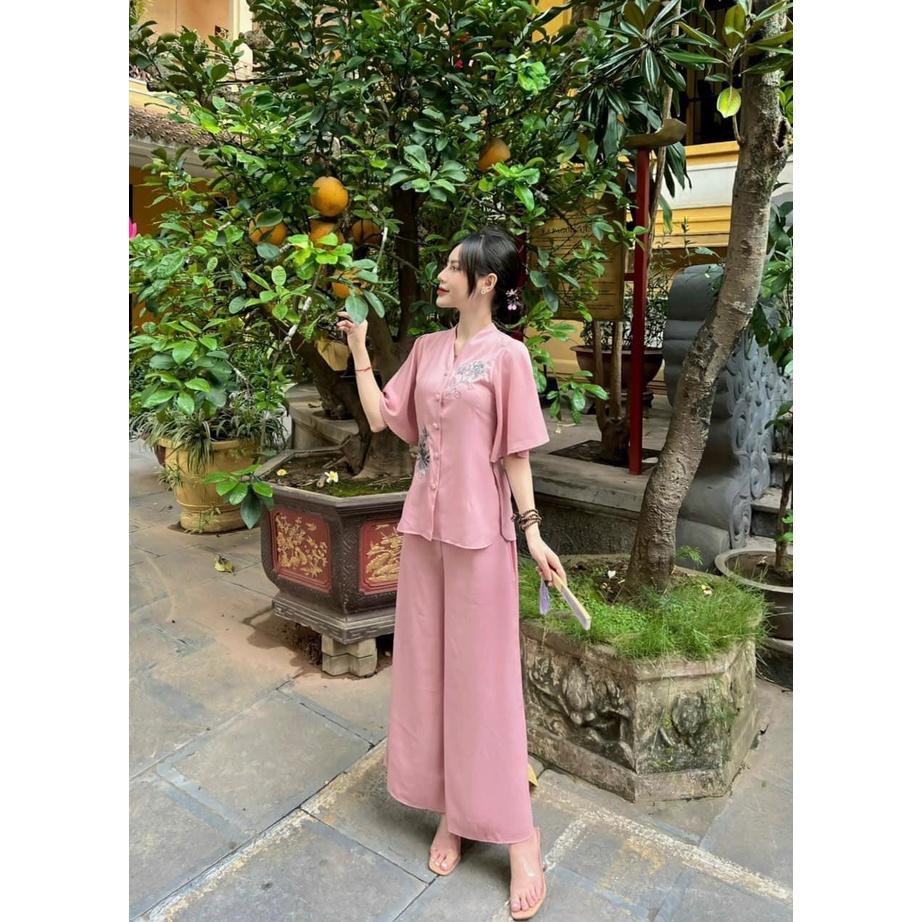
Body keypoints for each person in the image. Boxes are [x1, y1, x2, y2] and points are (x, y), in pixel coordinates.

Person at [336, 226, 567, 920]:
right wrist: (359, 349)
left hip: (480, 539)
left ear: (485, 283)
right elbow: (383, 419)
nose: (440, 274)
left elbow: (516, 454)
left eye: (452, 266)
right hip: (425, 538)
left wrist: (533, 534)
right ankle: (455, 813)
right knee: (431, 676)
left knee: (485, 685)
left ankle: (520, 835)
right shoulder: (427, 349)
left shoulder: (510, 358)